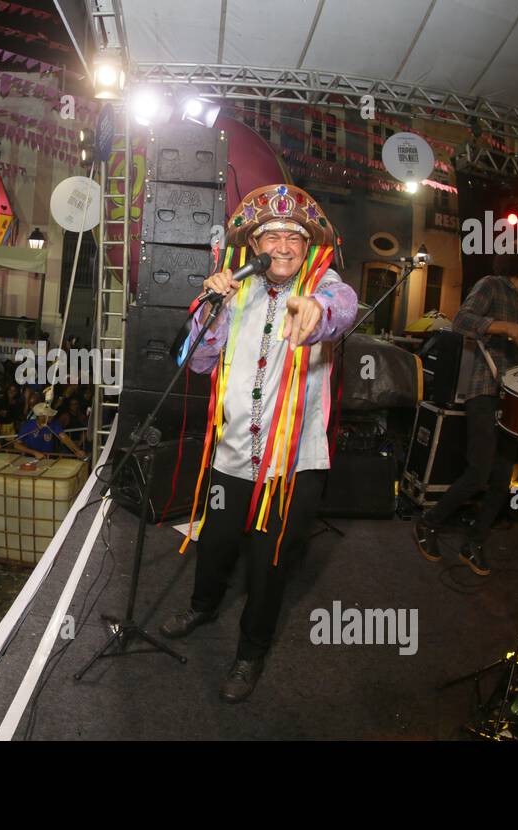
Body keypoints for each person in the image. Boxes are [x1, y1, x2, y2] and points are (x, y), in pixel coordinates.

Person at [160, 184, 357, 703]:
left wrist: (316, 310)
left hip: (291, 466)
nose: (284, 247)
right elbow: (195, 362)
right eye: (272, 236)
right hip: (231, 455)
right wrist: (214, 307)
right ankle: (203, 606)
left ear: (307, 245)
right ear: (254, 244)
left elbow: (342, 307)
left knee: (270, 562)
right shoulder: (238, 289)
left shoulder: (324, 285)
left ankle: (250, 652)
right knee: (216, 541)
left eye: (294, 237)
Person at [413, 253, 518, 576]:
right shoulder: (491, 285)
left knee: (502, 479)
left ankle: (474, 541)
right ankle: (429, 521)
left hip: (512, 399)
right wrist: (504, 326)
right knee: (479, 472)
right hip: (486, 390)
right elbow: (461, 320)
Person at [14, 403, 86, 460]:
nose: (52, 416)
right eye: (49, 414)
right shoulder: (28, 425)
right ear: (41, 416)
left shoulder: (54, 423)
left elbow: (64, 437)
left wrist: (77, 450)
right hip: (30, 458)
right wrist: (35, 453)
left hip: (49, 458)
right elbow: (17, 445)